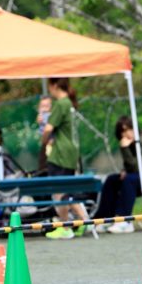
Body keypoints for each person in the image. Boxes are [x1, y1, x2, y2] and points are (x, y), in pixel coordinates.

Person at [41, 77, 92, 240]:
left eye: (50, 86)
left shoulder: (60, 104)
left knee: (58, 192)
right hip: (71, 152)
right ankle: (84, 220)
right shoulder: (69, 103)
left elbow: (48, 128)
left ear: (55, 85)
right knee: (66, 190)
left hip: (60, 153)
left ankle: (64, 226)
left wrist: (44, 141)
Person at [35, 95, 53, 173]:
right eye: (42, 106)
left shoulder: (50, 115)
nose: (44, 108)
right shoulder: (41, 115)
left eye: (47, 106)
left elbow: (48, 128)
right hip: (44, 141)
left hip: (50, 141)